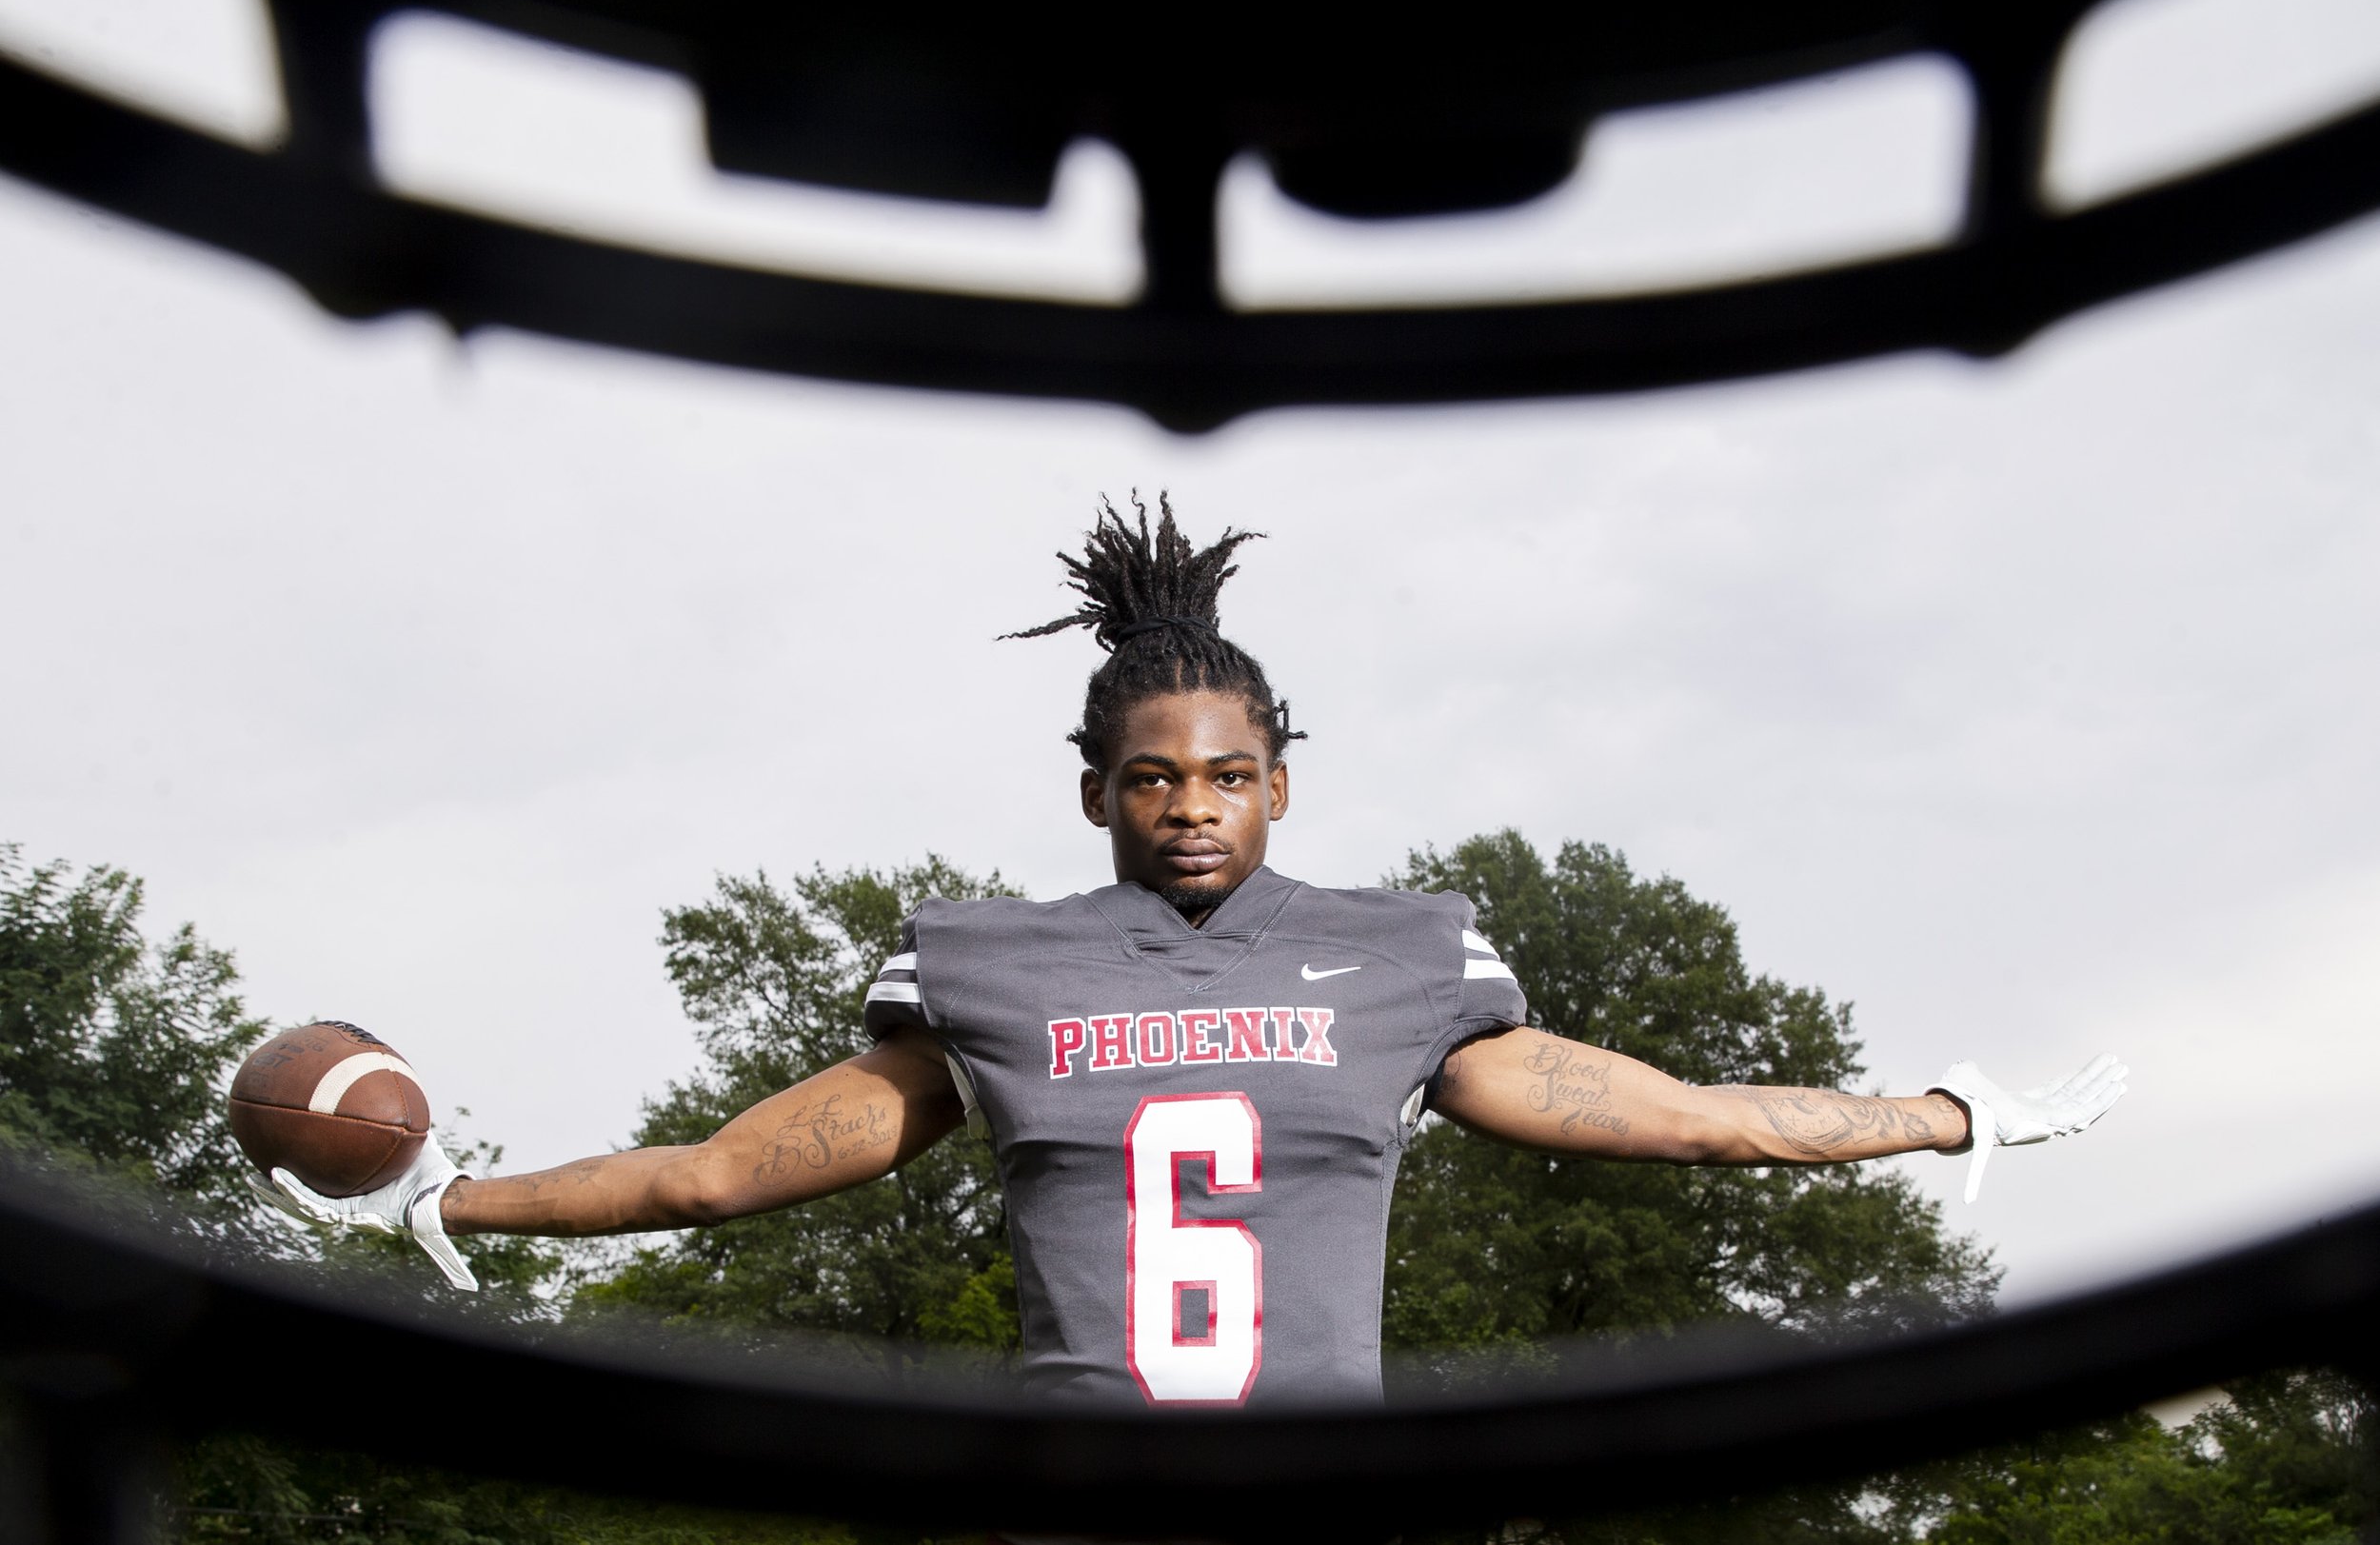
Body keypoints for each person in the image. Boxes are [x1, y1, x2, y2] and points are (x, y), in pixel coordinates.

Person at [255, 494, 2126, 1408]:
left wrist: (1937, 1114)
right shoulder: (984, 967)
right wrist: (455, 1197)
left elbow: (1682, 1115)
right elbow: (723, 1168)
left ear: (1280, 785)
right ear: (1093, 790)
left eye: (1229, 772)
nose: (1190, 804)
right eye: (1152, 774)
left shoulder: (1402, 956)